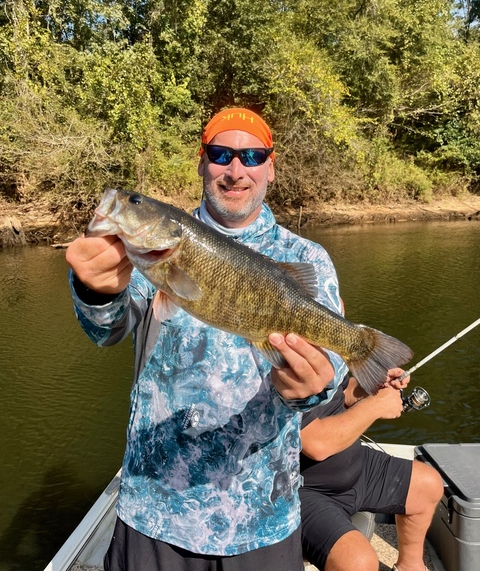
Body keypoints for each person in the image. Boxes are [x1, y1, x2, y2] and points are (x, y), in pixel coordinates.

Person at [66, 107, 347, 571]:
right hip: (155, 512)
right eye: (221, 154)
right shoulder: (149, 254)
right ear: (202, 162)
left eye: (252, 156)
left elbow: (328, 376)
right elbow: (108, 330)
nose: (236, 170)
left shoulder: (307, 258)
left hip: (261, 518)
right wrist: (95, 288)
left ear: (270, 167)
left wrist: (314, 389)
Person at [300, 361, 444, 571]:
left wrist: (371, 385)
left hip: (356, 467)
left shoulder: (317, 348)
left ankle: (410, 566)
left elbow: (342, 392)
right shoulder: (265, 365)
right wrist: (375, 406)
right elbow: (316, 444)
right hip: (303, 488)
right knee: (358, 562)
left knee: (428, 484)